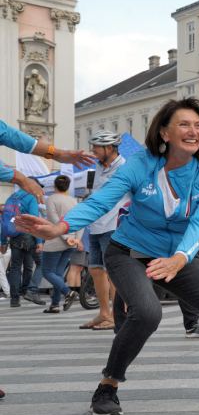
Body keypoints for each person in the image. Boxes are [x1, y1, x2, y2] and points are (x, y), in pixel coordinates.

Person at [16, 97, 199, 415]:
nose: (194, 131)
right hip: (127, 253)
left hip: (176, 257)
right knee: (147, 313)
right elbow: (101, 201)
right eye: (184, 124)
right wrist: (59, 228)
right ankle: (107, 386)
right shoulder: (141, 164)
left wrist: (179, 259)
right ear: (164, 133)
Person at [82, 130, 128, 331]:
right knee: (95, 269)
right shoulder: (97, 167)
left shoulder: (125, 167)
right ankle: (104, 312)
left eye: (96, 147)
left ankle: (118, 316)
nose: (93, 151)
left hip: (113, 225)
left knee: (114, 273)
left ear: (109, 148)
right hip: (95, 225)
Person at [39, 175, 82, 313]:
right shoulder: (74, 201)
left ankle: (67, 292)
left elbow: (54, 220)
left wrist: (65, 237)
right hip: (71, 242)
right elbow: (81, 221)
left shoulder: (51, 199)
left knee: (47, 271)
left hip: (55, 240)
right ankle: (55, 304)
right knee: (57, 273)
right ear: (68, 186)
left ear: (54, 186)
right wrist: (76, 239)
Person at [2, 187, 42, 307]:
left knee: (15, 267)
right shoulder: (31, 198)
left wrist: (2, 241)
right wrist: (39, 241)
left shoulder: (11, 198)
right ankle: (30, 290)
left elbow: (5, 221)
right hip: (28, 235)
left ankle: (15, 299)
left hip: (14, 236)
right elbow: (35, 221)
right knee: (41, 262)